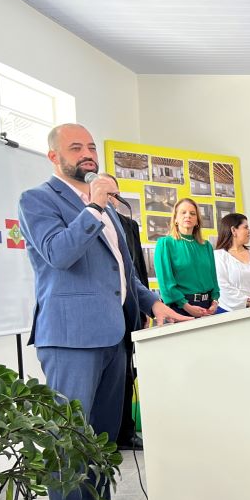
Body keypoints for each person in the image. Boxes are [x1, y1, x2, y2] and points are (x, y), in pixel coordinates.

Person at [18, 123, 189, 500]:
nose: (88, 153)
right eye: (76, 147)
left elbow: (124, 273)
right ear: (54, 157)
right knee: (70, 438)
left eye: (91, 145)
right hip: (70, 337)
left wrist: (154, 303)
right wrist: (94, 206)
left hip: (115, 334)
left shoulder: (108, 210)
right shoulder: (39, 200)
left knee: (102, 438)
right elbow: (59, 253)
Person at [108, 180, 147, 452]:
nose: (113, 197)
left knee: (128, 372)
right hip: (106, 311)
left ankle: (127, 430)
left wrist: (145, 306)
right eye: (107, 192)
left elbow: (137, 271)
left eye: (115, 193)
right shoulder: (93, 219)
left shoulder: (129, 224)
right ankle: (109, 433)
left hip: (131, 307)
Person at [155, 198, 221, 317]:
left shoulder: (206, 246)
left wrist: (215, 301)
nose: (188, 216)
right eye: (183, 212)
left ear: (197, 221)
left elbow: (213, 279)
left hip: (207, 307)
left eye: (192, 213)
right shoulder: (165, 244)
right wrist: (186, 306)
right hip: (180, 308)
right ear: (175, 218)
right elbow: (166, 284)